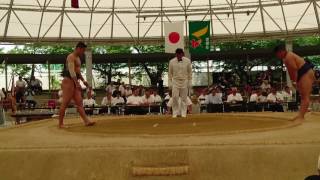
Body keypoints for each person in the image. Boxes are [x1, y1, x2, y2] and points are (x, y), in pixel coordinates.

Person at [274, 44, 315, 122]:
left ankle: (301, 117)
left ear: (281, 52)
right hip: (302, 73)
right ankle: (300, 115)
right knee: (303, 96)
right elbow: (290, 71)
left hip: (305, 72)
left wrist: (295, 81)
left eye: (277, 54)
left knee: (305, 96)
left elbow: (294, 70)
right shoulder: (286, 58)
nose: (277, 56)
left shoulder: (289, 57)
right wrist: (294, 81)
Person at [59, 42, 95, 128]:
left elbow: (78, 71)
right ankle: (60, 124)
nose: (83, 52)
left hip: (75, 81)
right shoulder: (71, 57)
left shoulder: (78, 58)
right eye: (83, 50)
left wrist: (83, 80)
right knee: (65, 102)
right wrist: (77, 83)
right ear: (78, 48)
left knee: (79, 102)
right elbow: (71, 71)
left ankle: (86, 121)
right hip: (68, 81)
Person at [168, 48, 192, 118]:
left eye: (180, 54)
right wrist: (169, 82)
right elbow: (170, 73)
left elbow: (190, 72)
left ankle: (183, 113)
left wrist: (190, 81)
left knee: (184, 98)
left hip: (184, 81)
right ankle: (175, 113)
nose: (179, 56)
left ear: (182, 54)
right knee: (175, 97)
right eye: (177, 54)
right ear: (176, 54)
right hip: (175, 81)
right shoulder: (171, 61)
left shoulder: (188, 61)